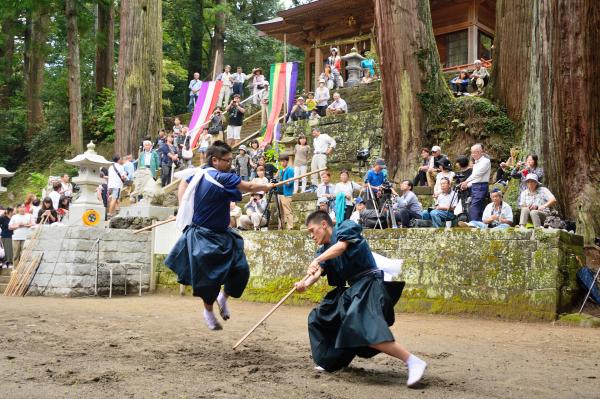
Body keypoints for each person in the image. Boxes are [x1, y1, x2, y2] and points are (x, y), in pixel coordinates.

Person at [294, 211, 427, 386]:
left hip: (370, 285)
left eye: (312, 230)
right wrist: (305, 284)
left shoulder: (345, 227)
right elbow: (318, 272)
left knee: (361, 326)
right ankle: (331, 361)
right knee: (320, 317)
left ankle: (412, 361)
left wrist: (317, 259)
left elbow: (341, 247)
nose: (311, 236)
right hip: (353, 290)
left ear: (324, 224)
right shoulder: (323, 250)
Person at [164, 141, 273, 330]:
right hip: (202, 236)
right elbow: (248, 186)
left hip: (224, 233)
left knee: (241, 270)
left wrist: (263, 187)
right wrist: (265, 187)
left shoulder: (208, 174)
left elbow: (184, 181)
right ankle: (208, 311)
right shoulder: (212, 175)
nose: (231, 164)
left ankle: (223, 298)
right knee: (209, 280)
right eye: (227, 160)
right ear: (214, 160)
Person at [460, 144, 491, 222]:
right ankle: (480, 224)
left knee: (474, 206)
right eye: (472, 152)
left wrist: (466, 181)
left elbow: (477, 174)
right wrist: (467, 185)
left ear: (481, 152)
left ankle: (473, 224)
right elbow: (475, 179)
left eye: (475, 152)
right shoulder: (476, 163)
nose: (473, 154)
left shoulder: (486, 161)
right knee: (478, 207)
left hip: (481, 186)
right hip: (475, 186)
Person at [277, 155, 295, 230]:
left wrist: (284, 182)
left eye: (284, 161)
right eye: (281, 161)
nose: (282, 163)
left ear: (287, 161)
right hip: (279, 193)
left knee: (287, 211)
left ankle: (290, 226)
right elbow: (278, 180)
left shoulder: (290, 170)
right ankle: (281, 226)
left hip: (286, 193)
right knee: (280, 212)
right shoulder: (280, 171)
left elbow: (291, 181)